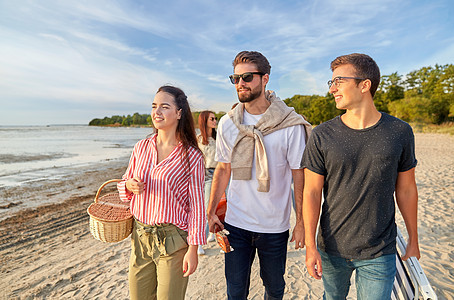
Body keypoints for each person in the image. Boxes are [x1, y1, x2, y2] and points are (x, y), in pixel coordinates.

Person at [301, 53, 420, 300]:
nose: (332, 89)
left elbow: (406, 189)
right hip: (331, 248)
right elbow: (311, 192)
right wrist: (311, 246)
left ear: (364, 85)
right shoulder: (322, 134)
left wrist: (413, 238)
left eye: (339, 81)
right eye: (331, 83)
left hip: (379, 250)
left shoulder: (400, 132)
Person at [207, 51, 312, 300]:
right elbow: (223, 169)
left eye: (247, 77)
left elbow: (299, 175)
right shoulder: (227, 123)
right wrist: (210, 211)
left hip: (274, 226)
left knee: (274, 289)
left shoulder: (290, 124)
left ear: (265, 79)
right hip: (235, 223)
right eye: (235, 78)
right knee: (235, 291)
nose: (240, 83)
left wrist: (302, 223)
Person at [117, 85, 206, 300]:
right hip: (140, 238)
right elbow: (123, 185)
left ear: (178, 113)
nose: (157, 112)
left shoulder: (191, 156)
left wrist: (193, 249)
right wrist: (129, 186)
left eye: (164, 107)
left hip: (173, 240)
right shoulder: (141, 147)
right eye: (154, 106)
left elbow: (197, 206)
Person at [197, 110, 219, 255]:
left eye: (215, 118)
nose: (215, 120)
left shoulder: (219, 137)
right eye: (212, 118)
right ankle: (199, 242)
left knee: (225, 207)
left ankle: (215, 234)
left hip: (222, 172)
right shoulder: (199, 139)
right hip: (207, 174)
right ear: (205, 121)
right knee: (207, 208)